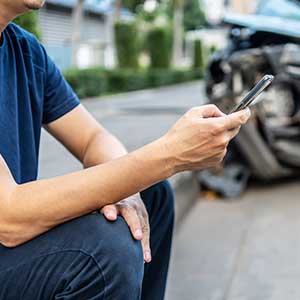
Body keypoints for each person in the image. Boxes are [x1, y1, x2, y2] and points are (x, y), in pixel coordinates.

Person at [0, 0, 251, 299]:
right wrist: (169, 155)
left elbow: (93, 138)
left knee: (149, 195)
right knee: (105, 251)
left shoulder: (26, 51)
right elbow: (9, 216)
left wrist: (127, 190)